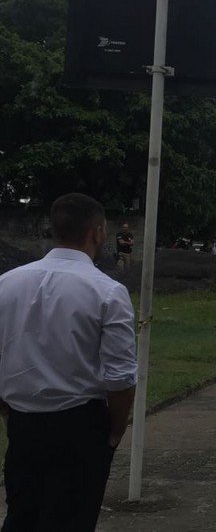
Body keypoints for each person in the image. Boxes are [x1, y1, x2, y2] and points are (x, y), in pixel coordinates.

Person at [0, 193, 137, 531]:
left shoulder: (7, 283)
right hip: (80, 425)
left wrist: (10, 409)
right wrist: (116, 428)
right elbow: (120, 376)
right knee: (72, 519)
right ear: (98, 232)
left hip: (23, 425)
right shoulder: (107, 291)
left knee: (22, 516)